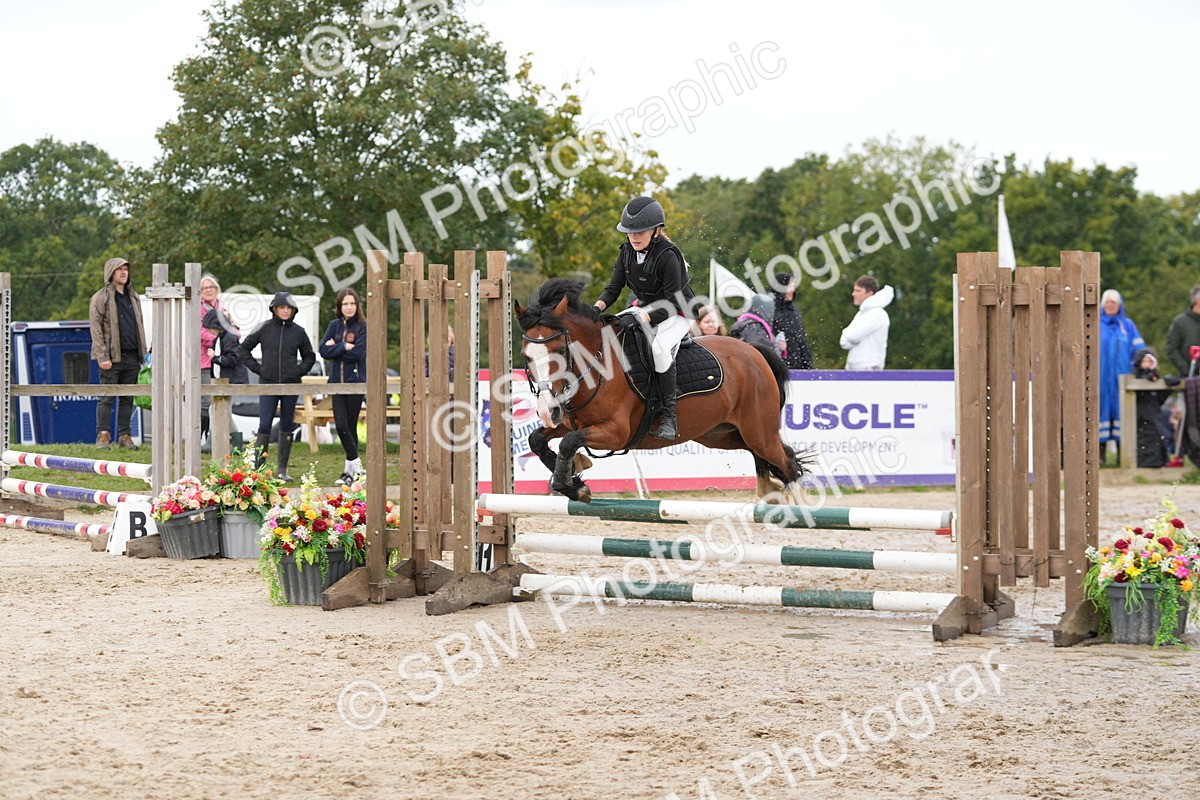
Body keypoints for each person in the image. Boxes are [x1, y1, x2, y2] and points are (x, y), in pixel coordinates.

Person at [593, 196, 695, 440]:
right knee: (609, 332)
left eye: (640, 231)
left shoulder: (669, 256)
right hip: (647, 308)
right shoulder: (627, 251)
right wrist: (594, 310)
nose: (634, 237)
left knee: (659, 348)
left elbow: (672, 303)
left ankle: (669, 415)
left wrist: (642, 319)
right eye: (630, 232)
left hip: (679, 311)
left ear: (656, 231)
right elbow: (613, 289)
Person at [237, 292, 315, 482]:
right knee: (264, 424)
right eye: (282, 307)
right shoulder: (264, 328)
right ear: (275, 308)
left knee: (287, 425)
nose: (285, 310)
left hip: (290, 386)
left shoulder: (299, 331)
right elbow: (243, 349)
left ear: (293, 310)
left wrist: (297, 372)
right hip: (267, 384)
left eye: (289, 307)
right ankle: (259, 469)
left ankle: (282, 470)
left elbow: (309, 356)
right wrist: (259, 369)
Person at [89, 257, 147, 450]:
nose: (124, 272)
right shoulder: (100, 297)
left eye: (126, 269)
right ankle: (103, 435)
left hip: (132, 355)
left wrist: (143, 353)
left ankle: (125, 435)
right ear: (111, 273)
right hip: (111, 357)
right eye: (119, 269)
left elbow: (140, 326)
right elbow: (96, 329)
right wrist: (102, 356)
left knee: (127, 398)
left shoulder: (134, 296)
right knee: (106, 396)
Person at [319, 288, 367, 486]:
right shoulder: (333, 326)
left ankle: (349, 473)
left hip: (355, 383)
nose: (349, 307)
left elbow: (358, 354)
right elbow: (323, 350)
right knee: (340, 426)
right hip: (336, 384)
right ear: (339, 306)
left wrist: (335, 348)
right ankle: (357, 468)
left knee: (350, 426)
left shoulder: (363, 326)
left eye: (352, 303)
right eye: (345, 304)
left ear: (357, 306)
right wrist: (343, 346)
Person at [1098, 289, 1145, 455]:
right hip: (1100, 379)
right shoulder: (1094, 324)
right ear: (1102, 305)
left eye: (1114, 302)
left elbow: (1140, 350)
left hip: (1122, 378)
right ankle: (1099, 455)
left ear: (1120, 305)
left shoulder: (1127, 325)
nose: (1110, 305)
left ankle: (1123, 456)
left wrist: (1136, 366)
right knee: (1099, 413)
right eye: (1107, 302)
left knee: (1122, 414)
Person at [1131, 347, 1180, 468]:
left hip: (1154, 415)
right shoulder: (1135, 377)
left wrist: (1168, 387)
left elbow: (1158, 400)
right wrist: (1146, 379)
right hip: (1140, 416)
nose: (1147, 364)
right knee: (1144, 438)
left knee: (1158, 436)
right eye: (1144, 361)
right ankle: (1145, 465)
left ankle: (1158, 463)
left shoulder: (1155, 378)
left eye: (1150, 361)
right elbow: (1137, 395)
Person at [839, 275, 894, 370]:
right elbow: (843, 342)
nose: (853, 294)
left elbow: (852, 336)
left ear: (870, 293)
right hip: (854, 369)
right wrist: (850, 337)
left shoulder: (877, 314)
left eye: (858, 291)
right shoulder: (861, 314)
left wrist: (849, 336)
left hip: (870, 369)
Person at [198, 274, 225, 449]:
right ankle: (199, 438)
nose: (209, 290)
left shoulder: (223, 308)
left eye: (211, 287)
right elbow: (199, 332)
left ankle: (212, 440)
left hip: (220, 360)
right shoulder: (198, 308)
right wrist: (217, 340)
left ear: (217, 289)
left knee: (219, 400)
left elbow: (230, 328)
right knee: (205, 403)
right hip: (204, 361)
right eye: (205, 288)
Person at [770, 272, 814, 369]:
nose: (793, 290)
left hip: (801, 365)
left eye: (793, 286)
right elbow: (767, 338)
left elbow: (802, 339)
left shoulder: (794, 310)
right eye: (790, 286)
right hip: (782, 367)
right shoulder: (771, 311)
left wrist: (808, 364)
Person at [1165, 285, 1200, 377]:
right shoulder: (1180, 322)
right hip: (1189, 378)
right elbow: (1172, 349)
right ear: (1198, 301)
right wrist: (1186, 370)